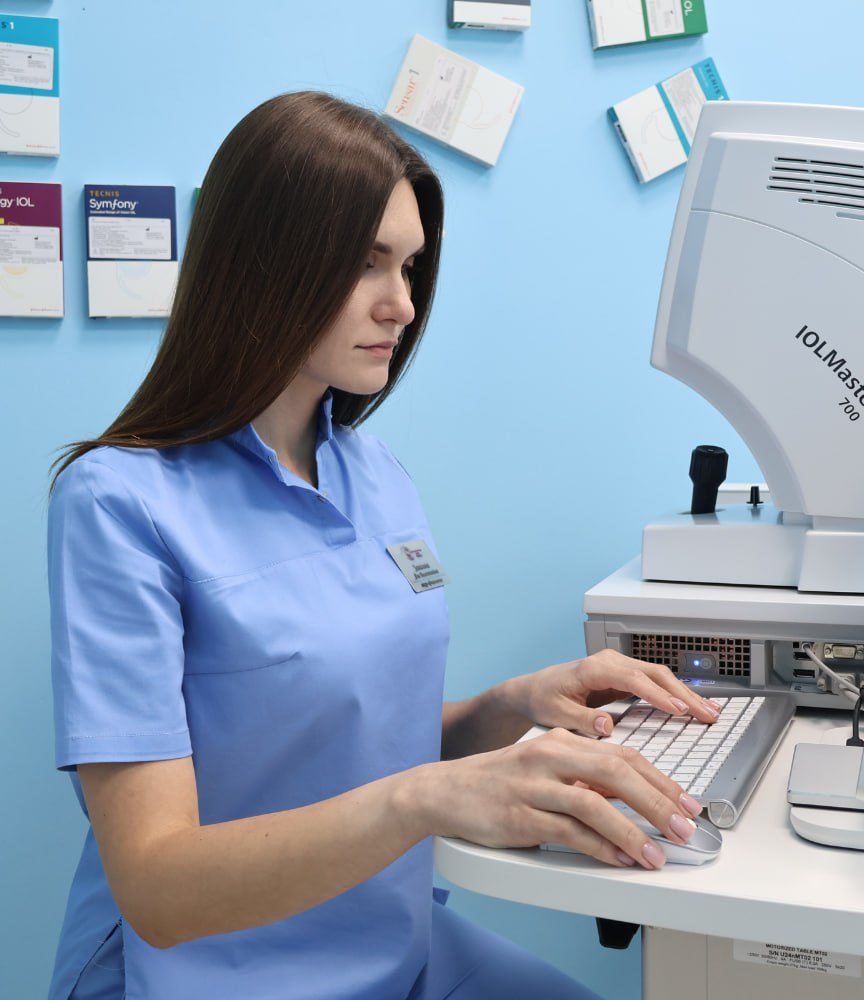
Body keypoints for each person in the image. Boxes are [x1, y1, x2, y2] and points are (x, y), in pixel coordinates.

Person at [47, 91, 720, 1000]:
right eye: (366, 264)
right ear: (264, 264)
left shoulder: (377, 475)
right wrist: (427, 800)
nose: (401, 305)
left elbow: (338, 738)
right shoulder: (120, 502)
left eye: (408, 266)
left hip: (398, 940)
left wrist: (508, 706)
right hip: (220, 974)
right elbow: (158, 887)